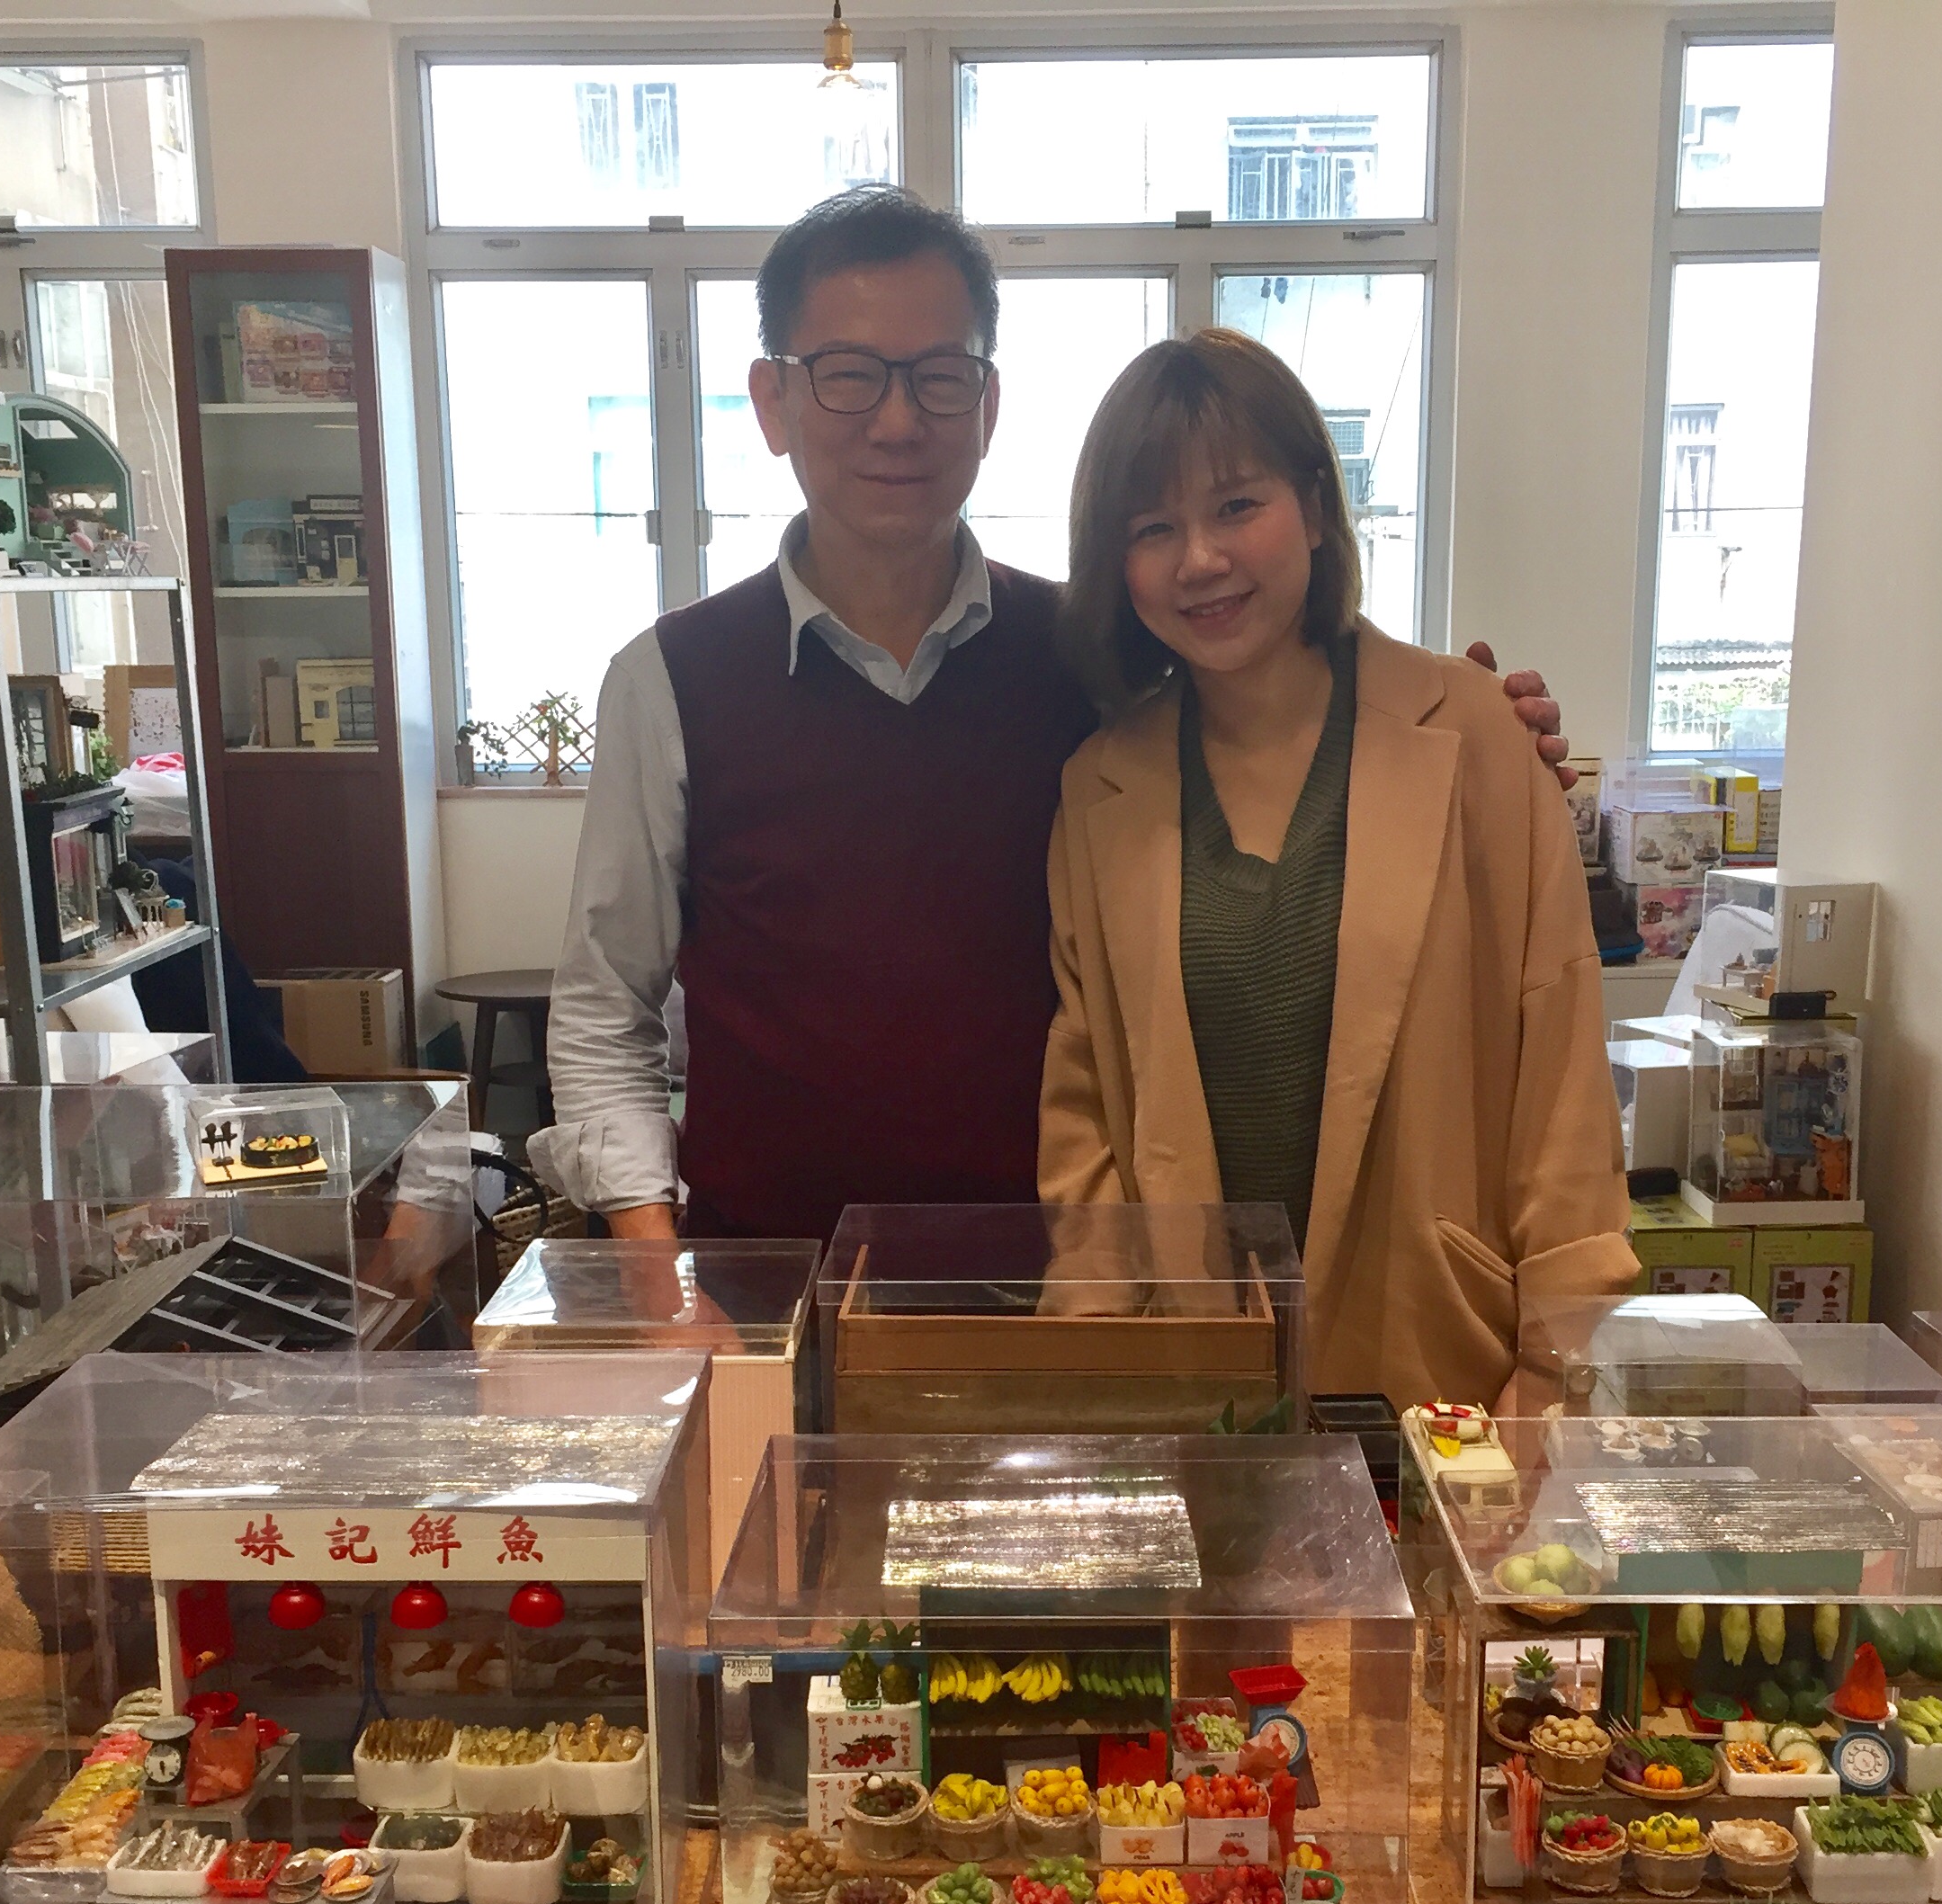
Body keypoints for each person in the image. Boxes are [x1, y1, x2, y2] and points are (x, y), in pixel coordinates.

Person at [532, 188, 1568, 1245]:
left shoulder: (1094, 654)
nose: (899, 420)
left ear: (987, 405)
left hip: (1064, 1280)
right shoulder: (672, 680)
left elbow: (1277, 694)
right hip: (771, 1280)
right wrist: (658, 1278)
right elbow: (606, 1010)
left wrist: (1467, 727)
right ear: (772, 400)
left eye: (940, 376)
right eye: (848, 374)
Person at [1039, 328, 1634, 1412]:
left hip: (1448, 1371)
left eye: (1236, 505)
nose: (1200, 560)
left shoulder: (1477, 736)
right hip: (1195, 1385)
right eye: (1153, 528)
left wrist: (1557, 1361)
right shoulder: (1101, 787)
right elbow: (1085, 1106)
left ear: (1315, 506)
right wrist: (1094, 1343)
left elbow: (1560, 1083)